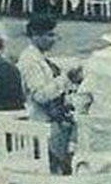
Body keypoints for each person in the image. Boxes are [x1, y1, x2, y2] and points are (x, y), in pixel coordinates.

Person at [16, 13, 71, 162]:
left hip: (47, 119)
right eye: (50, 35)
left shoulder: (40, 57)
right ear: (35, 36)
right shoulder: (30, 60)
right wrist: (66, 79)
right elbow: (40, 95)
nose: (54, 40)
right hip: (38, 122)